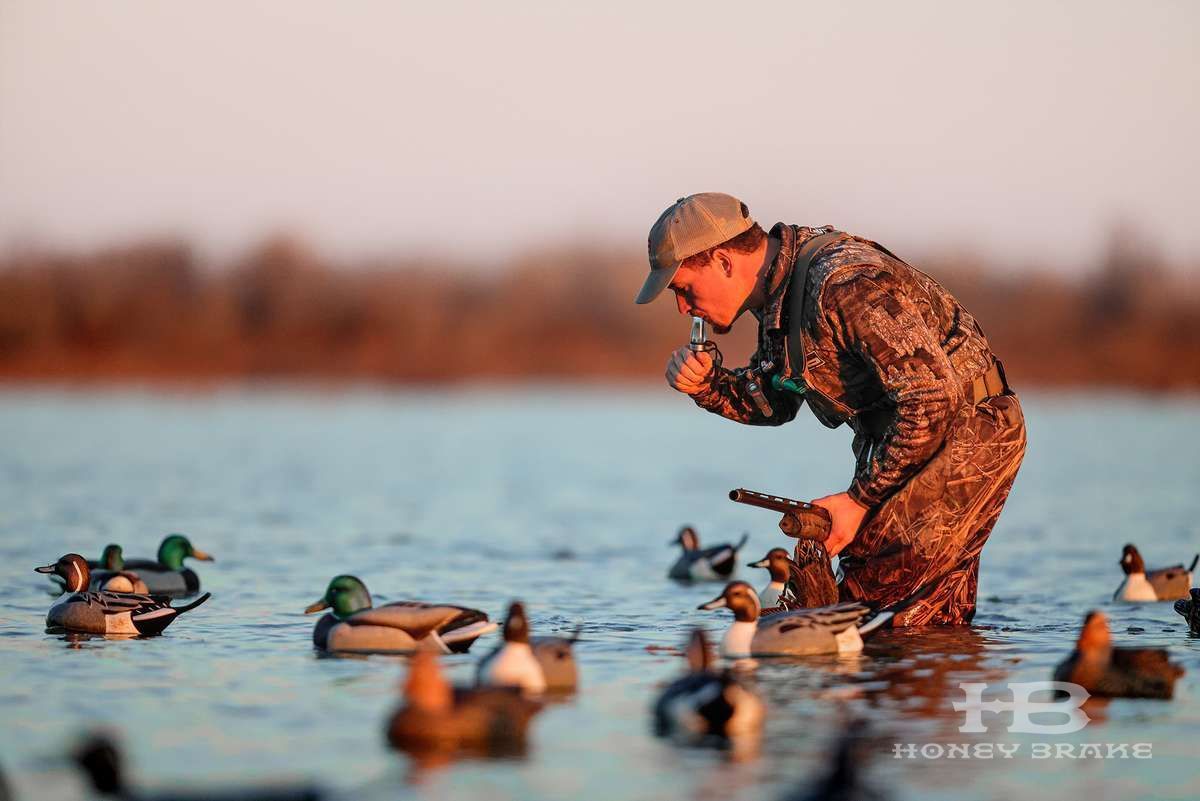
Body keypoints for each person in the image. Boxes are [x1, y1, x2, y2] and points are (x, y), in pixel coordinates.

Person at [635, 193, 1026, 626]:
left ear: (724, 261)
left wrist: (859, 500)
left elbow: (931, 400)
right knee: (925, 620)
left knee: (868, 610)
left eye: (684, 289)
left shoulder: (845, 283)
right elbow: (776, 400)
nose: (682, 308)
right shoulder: (778, 298)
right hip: (908, 443)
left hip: (965, 432)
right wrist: (709, 386)